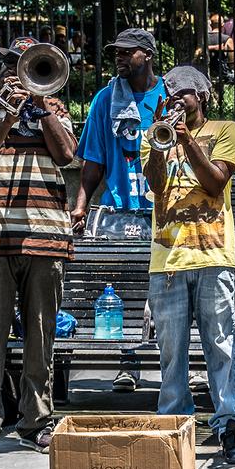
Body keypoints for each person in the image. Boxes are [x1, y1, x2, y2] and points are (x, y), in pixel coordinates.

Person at [0, 37, 77, 459]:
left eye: (26, 64)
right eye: (11, 62)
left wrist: (41, 109)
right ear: (0, 64)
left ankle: (37, 421)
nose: (17, 70)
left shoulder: (56, 108)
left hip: (45, 235)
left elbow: (66, 156)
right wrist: (7, 115)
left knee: (40, 335)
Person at [141, 65, 235, 465]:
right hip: (166, 259)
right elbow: (155, 185)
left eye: (184, 93)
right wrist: (157, 144)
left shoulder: (226, 130)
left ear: (202, 96)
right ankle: (174, 427)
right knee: (171, 351)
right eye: (170, 94)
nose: (176, 100)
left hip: (214, 255)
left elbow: (216, 182)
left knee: (221, 345)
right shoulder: (155, 134)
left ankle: (230, 428)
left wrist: (187, 142)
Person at [71, 28, 169, 392]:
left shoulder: (169, 97)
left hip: (163, 210)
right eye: (117, 53)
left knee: (170, 290)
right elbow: (93, 161)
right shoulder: (104, 100)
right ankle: (127, 361)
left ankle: (180, 363)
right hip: (118, 211)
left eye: (129, 52)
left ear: (148, 55)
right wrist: (81, 206)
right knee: (124, 290)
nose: (121, 58)